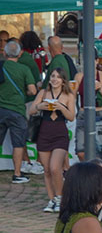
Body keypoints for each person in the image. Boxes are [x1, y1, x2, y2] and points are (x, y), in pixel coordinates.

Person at [30, 68, 76, 212]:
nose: (55, 79)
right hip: (44, 133)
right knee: (47, 170)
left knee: (55, 167)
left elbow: (71, 116)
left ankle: (60, 198)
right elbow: (31, 110)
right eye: (53, 76)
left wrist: (61, 107)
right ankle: (51, 200)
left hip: (60, 134)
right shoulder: (43, 93)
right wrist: (39, 106)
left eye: (58, 77)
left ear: (63, 81)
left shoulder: (69, 95)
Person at [1, 40, 38, 184]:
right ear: (20, 53)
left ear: (4, 53)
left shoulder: (1, 66)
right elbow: (33, 90)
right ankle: (17, 174)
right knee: (18, 143)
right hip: (17, 110)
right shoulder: (24, 69)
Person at [74, 57, 102, 160]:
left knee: (101, 148)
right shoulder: (79, 76)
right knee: (81, 150)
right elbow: (72, 96)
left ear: (97, 61)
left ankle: (101, 173)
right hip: (84, 113)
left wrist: (100, 88)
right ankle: (85, 173)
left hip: (100, 112)